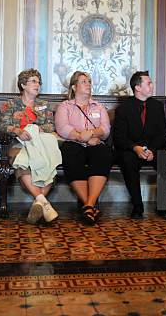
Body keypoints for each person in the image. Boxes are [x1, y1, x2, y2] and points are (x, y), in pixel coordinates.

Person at [113, 71, 166, 219]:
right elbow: (119, 137)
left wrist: (152, 150)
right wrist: (136, 148)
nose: (152, 85)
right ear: (137, 87)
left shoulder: (157, 106)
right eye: (148, 83)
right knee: (128, 161)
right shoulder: (124, 108)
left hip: (155, 149)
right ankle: (137, 206)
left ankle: (162, 205)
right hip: (132, 149)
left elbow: (162, 134)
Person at [0, 69, 60, 224]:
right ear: (23, 84)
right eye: (33, 81)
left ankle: (39, 204)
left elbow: (50, 126)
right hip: (19, 143)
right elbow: (3, 126)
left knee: (49, 162)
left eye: (39, 82)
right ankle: (43, 202)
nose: (37, 85)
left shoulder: (44, 105)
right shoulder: (11, 104)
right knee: (22, 161)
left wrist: (38, 129)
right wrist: (18, 130)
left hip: (40, 143)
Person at [55, 71, 113, 225]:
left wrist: (92, 133)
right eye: (83, 81)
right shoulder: (65, 106)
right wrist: (82, 137)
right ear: (74, 87)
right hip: (74, 143)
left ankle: (88, 204)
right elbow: (62, 128)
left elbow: (105, 129)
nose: (88, 84)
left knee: (103, 153)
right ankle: (91, 205)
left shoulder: (98, 106)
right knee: (71, 154)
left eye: (89, 81)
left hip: (95, 143)